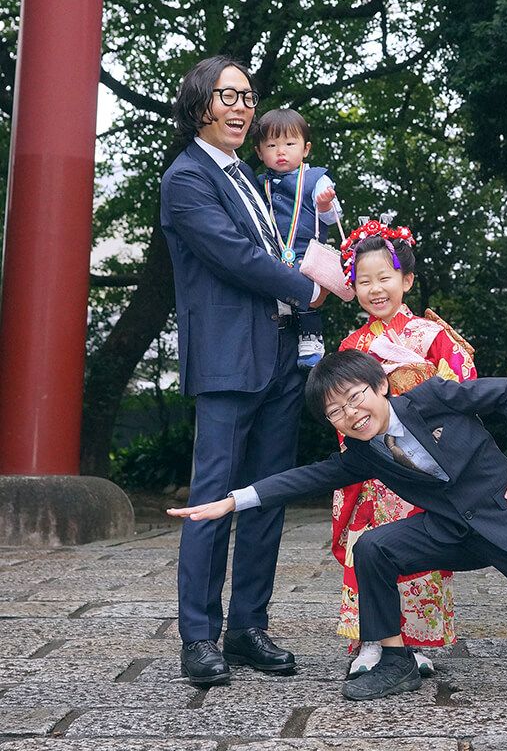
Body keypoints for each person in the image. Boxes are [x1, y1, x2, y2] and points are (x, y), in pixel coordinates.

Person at [167, 352, 507, 702]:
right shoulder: (361, 453)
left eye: (356, 398)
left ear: (379, 387)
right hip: (450, 531)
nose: (351, 413)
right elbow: (301, 478)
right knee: (373, 547)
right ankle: (393, 659)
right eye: (336, 412)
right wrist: (232, 502)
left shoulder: (432, 397)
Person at [160, 55, 326, 688]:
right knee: (213, 501)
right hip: (230, 360)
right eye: (227, 95)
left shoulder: (254, 179)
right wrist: (310, 288)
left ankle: (248, 627)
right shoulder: (188, 178)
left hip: (283, 356)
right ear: (200, 103)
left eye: (247, 96)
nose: (241, 106)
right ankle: (199, 637)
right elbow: (234, 257)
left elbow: (281, 241)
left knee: (267, 497)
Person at [334, 219, 477, 677]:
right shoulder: (352, 345)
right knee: (366, 546)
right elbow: (338, 403)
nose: (375, 289)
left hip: (420, 461)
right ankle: (372, 641)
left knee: (417, 547)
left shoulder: (430, 335)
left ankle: (412, 643)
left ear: (407, 280)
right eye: (363, 281)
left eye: (385, 278)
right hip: (373, 465)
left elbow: (461, 383)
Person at [254, 106, 343, 370]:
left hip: (307, 252)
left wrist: (326, 204)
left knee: (306, 293)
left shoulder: (316, 178)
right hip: (274, 254)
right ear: (259, 152)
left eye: (290, 143)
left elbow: (334, 217)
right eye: (271, 145)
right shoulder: (259, 183)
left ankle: (312, 338)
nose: (281, 151)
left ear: (305, 149)